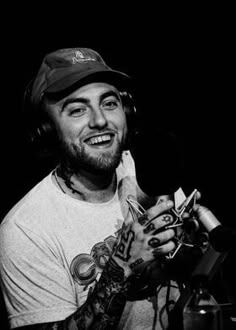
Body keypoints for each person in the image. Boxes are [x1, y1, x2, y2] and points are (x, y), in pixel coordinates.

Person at [0, 47, 199, 329]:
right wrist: (122, 265)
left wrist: (191, 243)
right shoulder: (25, 229)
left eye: (109, 103)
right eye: (78, 110)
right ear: (46, 128)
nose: (100, 121)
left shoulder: (148, 168)